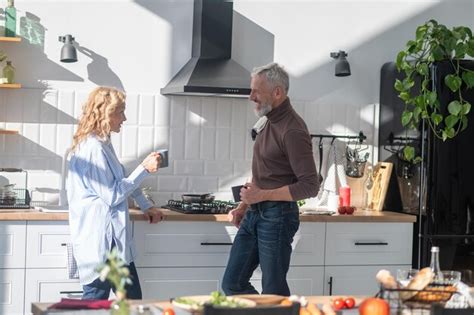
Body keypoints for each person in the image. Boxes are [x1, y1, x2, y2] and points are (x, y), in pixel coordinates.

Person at [222, 63, 319, 296]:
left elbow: (310, 186)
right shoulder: (267, 121)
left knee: (273, 291)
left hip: (278, 217)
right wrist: (243, 205)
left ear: (277, 92)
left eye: (256, 90)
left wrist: (260, 196)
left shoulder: (292, 129)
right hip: (254, 214)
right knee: (232, 284)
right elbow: (263, 174)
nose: (251, 96)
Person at [67, 86, 164, 300]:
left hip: (112, 244)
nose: (124, 118)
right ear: (106, 114)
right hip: (102, 244)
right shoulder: (93, 148)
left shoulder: (103, 143)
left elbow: (121, 176)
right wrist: (145, 168)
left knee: (131, 303)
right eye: (120, 112)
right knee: (99, 302)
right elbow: (112, 195)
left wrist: (146, 205)